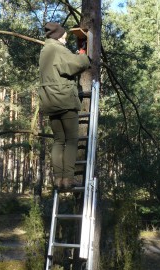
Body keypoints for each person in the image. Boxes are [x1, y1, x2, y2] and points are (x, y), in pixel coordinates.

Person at [39, 22, 90, 190]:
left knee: (58, 140)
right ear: (57, 36)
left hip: (49, 100)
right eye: (64, 37)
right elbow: (76, 65)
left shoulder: (45, 50)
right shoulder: (58, 49)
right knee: (71, 140)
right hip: (64, 99)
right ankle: (68, 179)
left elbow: (61, 66)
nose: (65, 40)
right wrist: (83, 55)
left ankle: (57, 179)